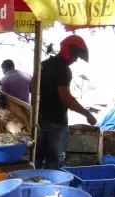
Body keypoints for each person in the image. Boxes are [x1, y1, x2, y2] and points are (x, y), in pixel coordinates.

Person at [36, 35, 97, 169]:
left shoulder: (43, 65)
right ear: (68, 52)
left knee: (37, 158)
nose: (75, 60)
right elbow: (67, 98)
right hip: (56, 123)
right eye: (75, 56)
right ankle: (51, 187)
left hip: (40, 120)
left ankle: (36, 186)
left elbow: (32, 89)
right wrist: (87, 114)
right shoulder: (63, 70)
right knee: (53, 161)